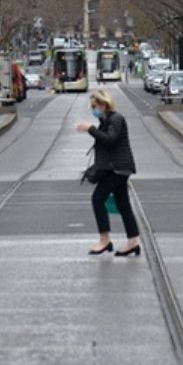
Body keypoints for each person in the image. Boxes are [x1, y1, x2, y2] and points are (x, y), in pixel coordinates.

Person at [77, 89, 140, 257]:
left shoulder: (116, 119)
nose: (93, 110)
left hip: (117, 168)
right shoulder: (106, 120)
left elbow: (110, 139)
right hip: (118, 168)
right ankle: (133, 241)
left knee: (97, 199)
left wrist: (90, 129)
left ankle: (104, 240)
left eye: (94, 106)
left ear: (104, 105)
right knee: (123, 204)